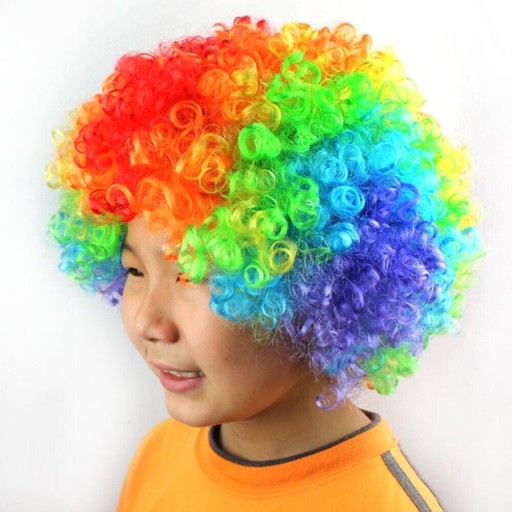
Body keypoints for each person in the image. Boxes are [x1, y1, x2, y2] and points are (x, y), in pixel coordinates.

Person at [45, 16, 481, 511]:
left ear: (318, 285)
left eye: (193, 274)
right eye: (135, 271)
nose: (149, 322)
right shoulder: (159, 455)